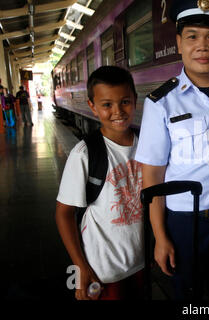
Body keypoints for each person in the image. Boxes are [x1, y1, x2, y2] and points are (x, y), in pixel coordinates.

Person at [135, 0, 209, 300]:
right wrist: (160, 237)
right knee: (187, 297)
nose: (203, 46)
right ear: (178, 43)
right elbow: (152, 176)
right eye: (192, 36)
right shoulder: (161, 102)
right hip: (184, 224)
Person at [55, 66, 144, 300]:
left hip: (141, 262)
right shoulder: (84, 153)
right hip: (101, 269)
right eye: (107, 105)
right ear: (92, 106)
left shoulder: (148, 146)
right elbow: (64, 214)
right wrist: (80, 267)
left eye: (125, 102)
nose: (118, 111)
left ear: (135, 100)